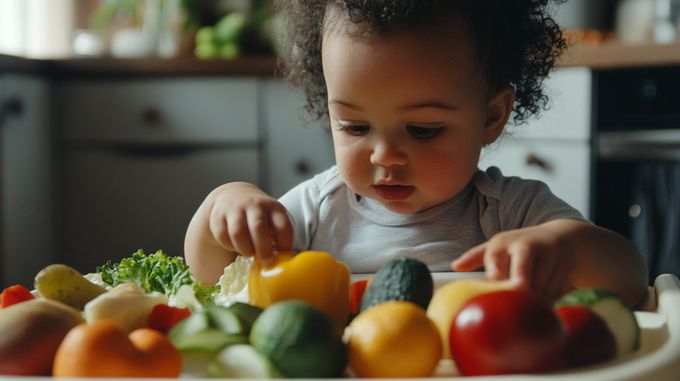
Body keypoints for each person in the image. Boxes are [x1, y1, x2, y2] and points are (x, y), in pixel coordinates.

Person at [185, 0, 648, 306]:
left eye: (423, 130)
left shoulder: (511, 212)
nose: (385, 156)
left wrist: (561, 249)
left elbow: (628, 277)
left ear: (491, 116)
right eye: (355, 126)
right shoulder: (315, 211)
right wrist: (223, 207)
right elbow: (209, 277)